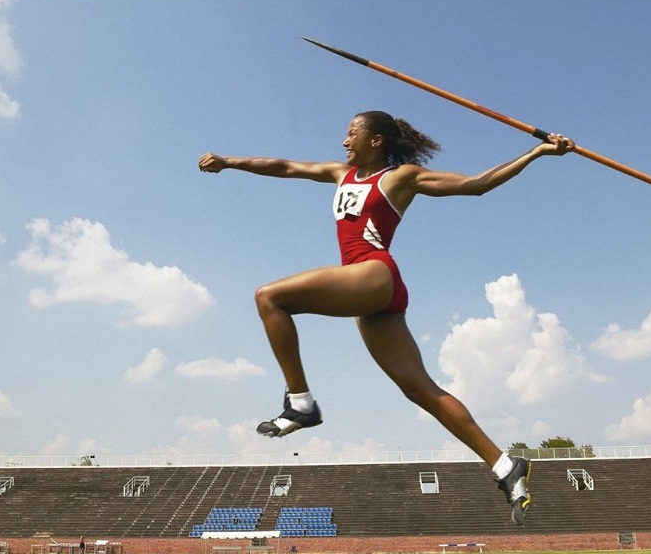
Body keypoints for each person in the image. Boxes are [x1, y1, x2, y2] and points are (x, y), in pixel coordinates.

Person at [198, 111, 574, 524]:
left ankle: (300, 403)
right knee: (419, 389)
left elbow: (476, 185)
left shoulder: (400, 177)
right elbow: (284, 167)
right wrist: (230, 161)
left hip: (375, 273)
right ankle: (505, 466)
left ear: (375, 140)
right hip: (373, 301)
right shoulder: (341, 173)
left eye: (352, 133)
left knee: (270, 297)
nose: (344, 141)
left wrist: (537, 152)